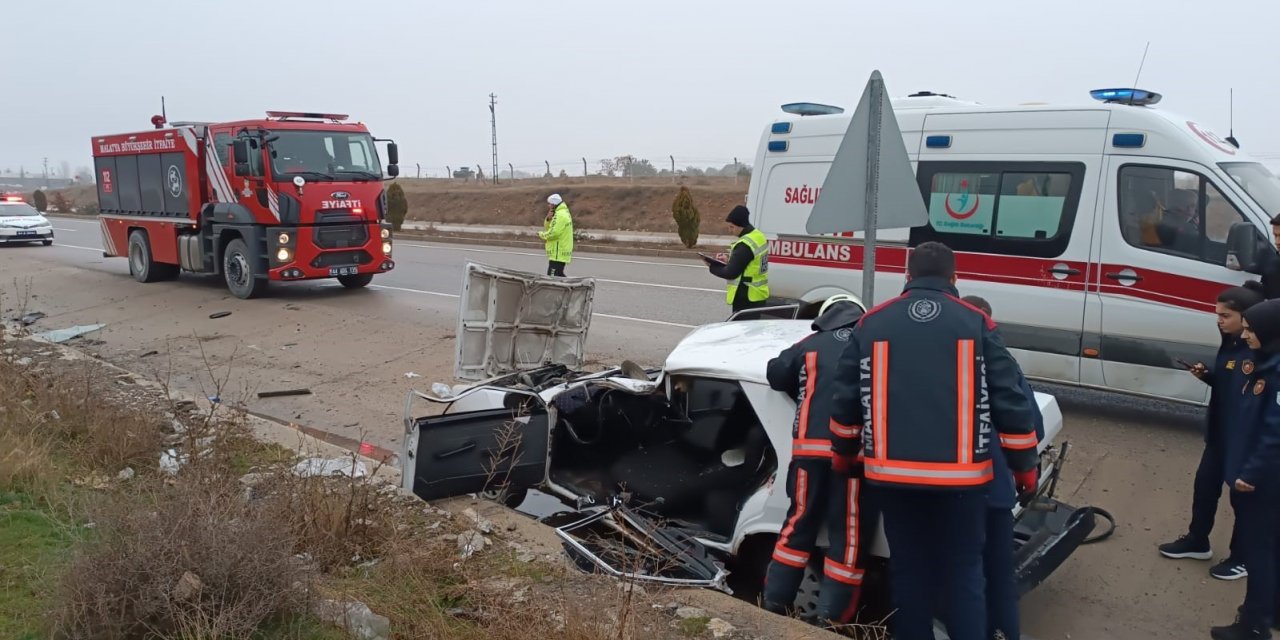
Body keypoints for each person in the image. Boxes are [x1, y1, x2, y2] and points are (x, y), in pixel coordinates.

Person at [827, 241, 1040, 640]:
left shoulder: (872, 323)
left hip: (893, 479)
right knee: (964, 571)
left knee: (909, 570)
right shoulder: (976, 322)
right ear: (954, 278)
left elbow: (845, 400)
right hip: (964, 483)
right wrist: (1023, 466)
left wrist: (842, 454)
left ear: (906, 277)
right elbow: (1009, 400)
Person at [761, 293, 874, 625]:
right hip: (852, 455)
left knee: (798, 525)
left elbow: (775, 373)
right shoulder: (871, 344)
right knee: (849, 535)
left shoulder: (810, 344)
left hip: (808, 452)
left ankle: (774, 602)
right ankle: (832, 618)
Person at [1160, 282, 1266, 581]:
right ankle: (1197, 540)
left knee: (1242, 501)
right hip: (1220, 434)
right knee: (1205, 486)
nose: (1218, 320)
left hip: (1243, 440)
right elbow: (1229, 386)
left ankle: (1242, 557)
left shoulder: (1259, 349)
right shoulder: (1231, 343)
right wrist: (1207, 375)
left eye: (1225, 315)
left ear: (1246, 318)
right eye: (1217, 314)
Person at [962, 295, 1045, 640]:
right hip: (996, 491)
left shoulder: (942, 363)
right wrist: (1025, 474)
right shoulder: (1005, 364)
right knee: (999, 572)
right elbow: (1032, 427)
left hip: (955, 493)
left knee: (966, 573)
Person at [1211, 298, 1280, 640]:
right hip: (1255, 474)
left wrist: (1248, 473)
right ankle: (1269, 611)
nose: (1246, 335)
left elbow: (1274, 433)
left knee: (1260, 552)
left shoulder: (1276, 374)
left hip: (1262, 482)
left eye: (1252, 330)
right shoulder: (1263, 362)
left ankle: (1254, 624)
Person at [705, 205, 770, 314]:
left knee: (742, 330)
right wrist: (729, 260)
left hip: (746, 298)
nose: (729, 230)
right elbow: (748, 263)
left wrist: (712, 266)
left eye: (731, 227)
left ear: (740, 226)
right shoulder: (758, 236)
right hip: (758, 295)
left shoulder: (745, 244)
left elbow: (731, 273)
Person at [539, 193, 574, 276]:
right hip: (558, 252)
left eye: (550, 204)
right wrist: (548, 219)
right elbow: (549, 228)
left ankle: (574, 288)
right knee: (558, 275)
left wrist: (541, 235)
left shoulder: (560, 215)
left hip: (558, 252)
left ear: (554, 204)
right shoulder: (561, 212)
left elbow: (554, 233)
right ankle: (572, 288)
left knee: (552, 278)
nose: (548, 206)